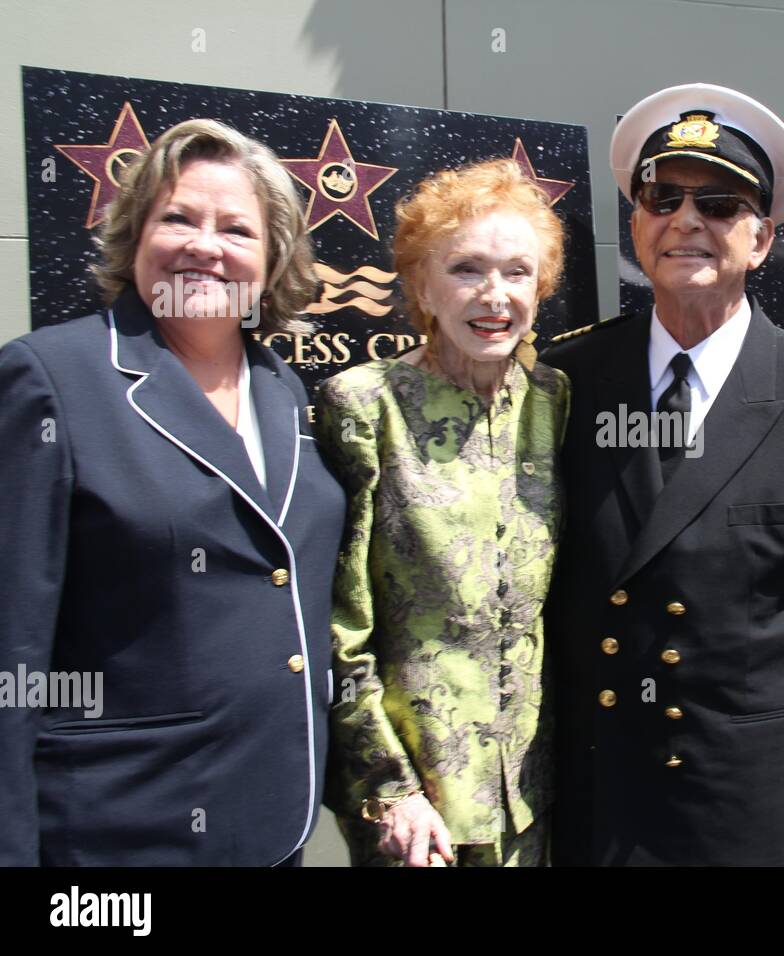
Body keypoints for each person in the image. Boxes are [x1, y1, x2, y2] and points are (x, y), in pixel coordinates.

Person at [542, 82, 784, 866]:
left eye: (719, 205)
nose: (686, 221)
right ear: (636, 225)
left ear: (763, 238)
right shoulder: (567, 380)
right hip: (595, 787)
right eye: (662, 197)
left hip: (748, 796)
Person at [0, 118, 345, 865]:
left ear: (273, 255)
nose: (204, 246)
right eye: (178, 218)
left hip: (274, 819)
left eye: (236, 229)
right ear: (135, 235)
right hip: (120, 833)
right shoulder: (52, 379)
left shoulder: (284, 390)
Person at [316, 158, 569, 867]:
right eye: (466, 269)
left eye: (518, 272)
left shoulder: (555, 403)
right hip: (417, 807)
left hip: (537, 793)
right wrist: (386, 788)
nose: (495, 296)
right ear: (421, 285)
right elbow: (339, 624)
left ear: (541, 288)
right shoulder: (364, 408)